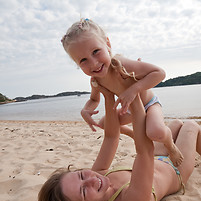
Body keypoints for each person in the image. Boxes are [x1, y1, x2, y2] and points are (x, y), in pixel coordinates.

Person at [37, 84, 201, 201]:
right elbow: (143, 151)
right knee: (190, 126)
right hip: (176, 168)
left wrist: (108, 96)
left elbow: (110, 137)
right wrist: (137, 100)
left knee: (177, 123)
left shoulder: (97, 177)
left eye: (81, 174)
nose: (91, 179)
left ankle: (194, 150)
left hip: (157, 156)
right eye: (84, 191)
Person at [60, 18, 183, 166]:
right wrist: (86, 110)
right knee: (103, 124)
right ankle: (134, 135)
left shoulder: (121, 64)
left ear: (107, 44)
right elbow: (94, 99)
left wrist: (134, 89)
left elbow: (159, 73)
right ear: (77, 64)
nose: (93, 63)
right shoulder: (96, 80)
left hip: (149, 105)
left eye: (96, 51)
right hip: (129, 108)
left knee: (155, 132)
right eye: (83, 60)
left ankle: (170, 145)